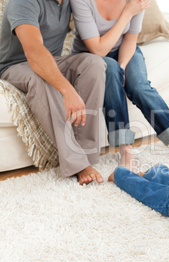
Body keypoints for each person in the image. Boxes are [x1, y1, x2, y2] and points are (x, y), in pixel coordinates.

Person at [69, 0, 169, 172]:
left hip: (124, 49)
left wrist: (122, 66)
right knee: (111, 71)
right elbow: (98, 50)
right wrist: (127, 13)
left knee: (139, 87)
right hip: (91, 56)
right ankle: (125, 148)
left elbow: (130, 39)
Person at [0, 0, 107, 185]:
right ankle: (77, 164)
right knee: (42, 80)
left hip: (53, 60)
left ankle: (86, 154)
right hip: (16, 65)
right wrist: (67, 90)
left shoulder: (68, 2)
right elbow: (34, 51)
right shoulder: (22, 2)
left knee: (94, 64)